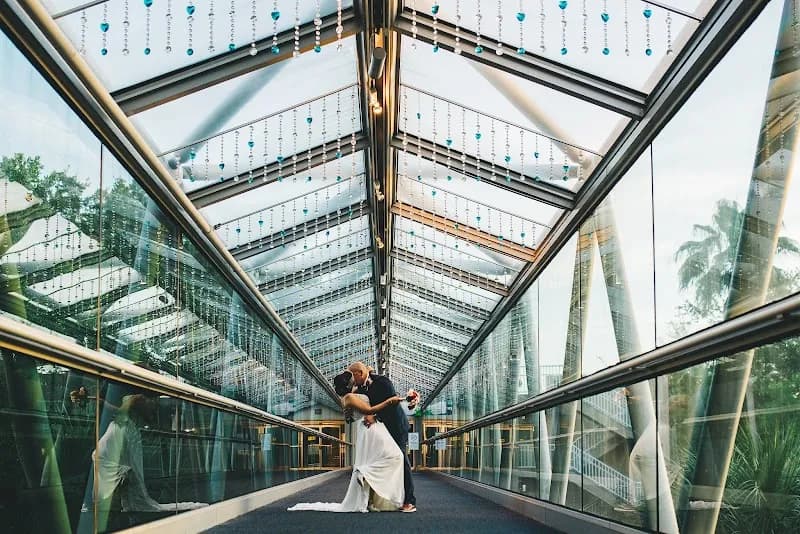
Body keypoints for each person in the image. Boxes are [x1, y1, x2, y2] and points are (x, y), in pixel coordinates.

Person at [288, 371, 406, 513]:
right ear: (348, 383)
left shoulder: (352, 394)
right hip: (371, 429)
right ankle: (363, 473)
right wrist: (389, 401)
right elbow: (370, 409)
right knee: (396, 457)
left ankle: (369, 500)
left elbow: (365, 373)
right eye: (352, 379)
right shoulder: (349, 397)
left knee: (377, 459)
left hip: (369, 429)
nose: (355, 380)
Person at [350, 361, 417, 513]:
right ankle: (371, 488)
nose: (353, 379)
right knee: (381, 458)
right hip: (380, 430)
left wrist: (375, 416)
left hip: (396, 427)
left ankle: (409, 501)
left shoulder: (383, 382)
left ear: (360, 373)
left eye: (354, 375)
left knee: (401, 459)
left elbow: (392, 404)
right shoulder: (359, 388)